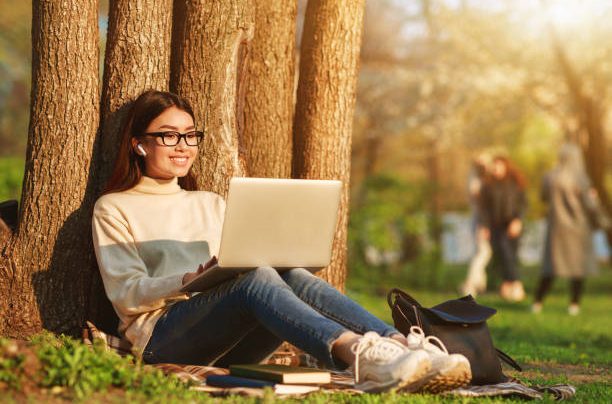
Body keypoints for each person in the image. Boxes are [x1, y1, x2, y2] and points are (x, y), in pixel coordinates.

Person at [92, 90, 471, 393]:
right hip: (164, 340)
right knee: (256, 278)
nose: (184, 146)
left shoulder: (209, 203)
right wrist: (186, 282)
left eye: (191, 135)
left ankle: (404, 349)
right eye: (169, 135)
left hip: (235, 334)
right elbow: (126, 294)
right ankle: (360, 354)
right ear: (140, 144)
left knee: (287, 272)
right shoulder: (114, 208)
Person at [532, 144, 605, 316]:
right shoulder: (581, 178)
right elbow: (589, 204)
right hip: (578, 228)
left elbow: (543, 198)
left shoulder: (550, 177)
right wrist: (599, 212)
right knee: (577, 268)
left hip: (557, 229)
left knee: (551, 267)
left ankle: (537, 302)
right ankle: (574, 305)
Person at [479, 156, 527, 302]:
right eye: (494, 166)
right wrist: (485, 226)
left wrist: (517, 220)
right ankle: (508, 285)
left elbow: (523, 204)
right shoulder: (488, 185)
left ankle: (515, 285)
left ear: (506, 166)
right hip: (496, 227)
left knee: (510, 255)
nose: (496, 169)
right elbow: (485, 209)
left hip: (511, 225)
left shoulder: (515, 184)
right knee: (502, 255)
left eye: (498, 166)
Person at [460, 154, 492, 296]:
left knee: (480, 252)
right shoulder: (475, 181)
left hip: (481, 220)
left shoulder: (480, 179)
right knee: (483, 253)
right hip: (480, 220)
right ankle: (470, 284)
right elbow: (481, 205)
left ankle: (480, 286)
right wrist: (483, 225)